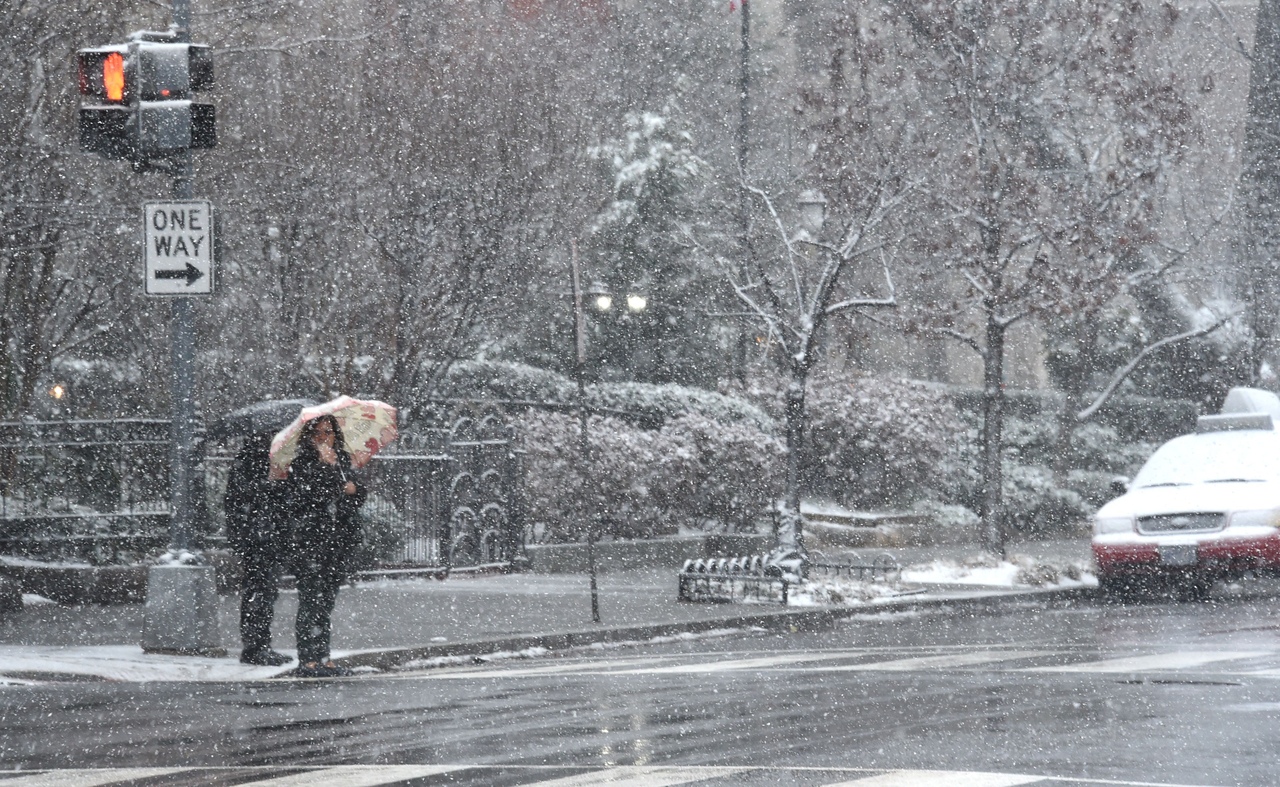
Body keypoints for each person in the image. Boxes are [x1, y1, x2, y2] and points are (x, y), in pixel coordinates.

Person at [287, 414, 366, 678]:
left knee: (326, 600)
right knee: (310, 599)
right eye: (318, 433)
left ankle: (323, 655)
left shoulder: (343, 460)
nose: (324, 438)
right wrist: (323, 468)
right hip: (311, 541)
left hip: (338, 541)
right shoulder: (300, 464)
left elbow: (353, 497)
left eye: (329, 432)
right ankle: (307, 659)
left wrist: (354, 491)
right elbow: (304, 499)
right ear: (309, 438)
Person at [223, 432, 292, 666]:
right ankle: (254, 647)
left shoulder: (276, 461)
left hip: (269, 538)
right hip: (257, 539)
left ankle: (261, 644)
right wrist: (270, 483)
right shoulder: (250, 461)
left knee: (266, 592)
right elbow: (240, 499)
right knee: (258, 592)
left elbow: (283, 501)